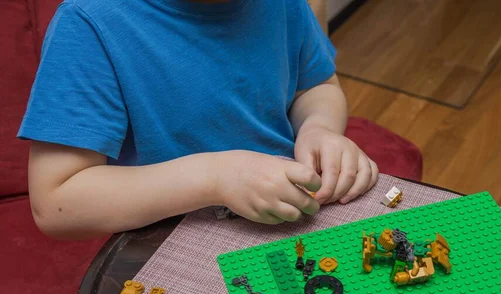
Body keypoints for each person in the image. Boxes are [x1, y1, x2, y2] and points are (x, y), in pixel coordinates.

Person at [17, 0, 378, 240]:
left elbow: (316, 85)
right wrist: (215, 178)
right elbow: (55, 204)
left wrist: (319, 128)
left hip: (293, 211)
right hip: (167, 233)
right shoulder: (88, 22)